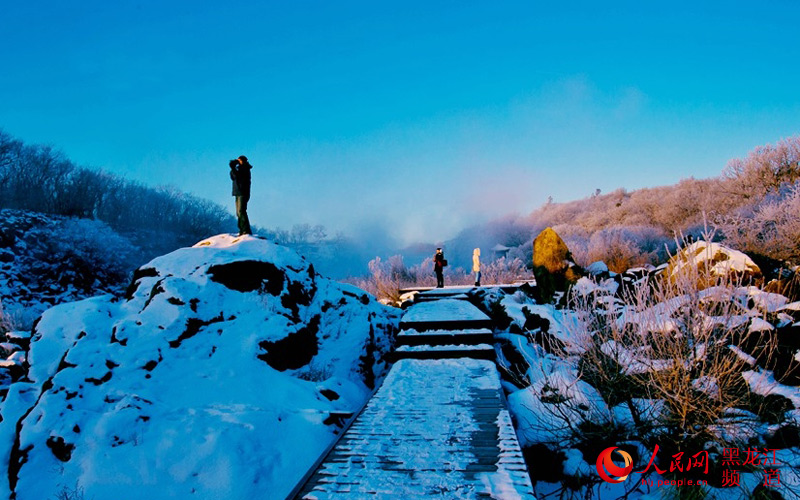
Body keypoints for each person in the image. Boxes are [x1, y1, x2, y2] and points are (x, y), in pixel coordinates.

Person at [229, 155, 252, 235]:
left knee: (241, 211)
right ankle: (242, 229)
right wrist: (233, 168)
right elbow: (233, 177)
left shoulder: (245, 168)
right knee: (238, 212)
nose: (238, 162)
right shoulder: (238, 169)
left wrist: (233, 167)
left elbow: (239, 177)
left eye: (239, 160)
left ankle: (246, 230)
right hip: (237, 192)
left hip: (243, 192)